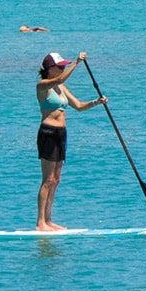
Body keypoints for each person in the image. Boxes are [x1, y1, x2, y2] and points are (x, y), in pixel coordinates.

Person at [33, 51, 103, 232]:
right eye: (61, 66)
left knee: (56, 179)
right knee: (47, 179)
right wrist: (77, 63)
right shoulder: (43, 86)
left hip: (61, 133)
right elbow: (59, 80)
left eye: (65, 65)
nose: (63, 68)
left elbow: (78, 106)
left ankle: (49, 220)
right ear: (50, 69)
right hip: (48, 133)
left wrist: (97, 102)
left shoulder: (61, 89)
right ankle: (40, 222)